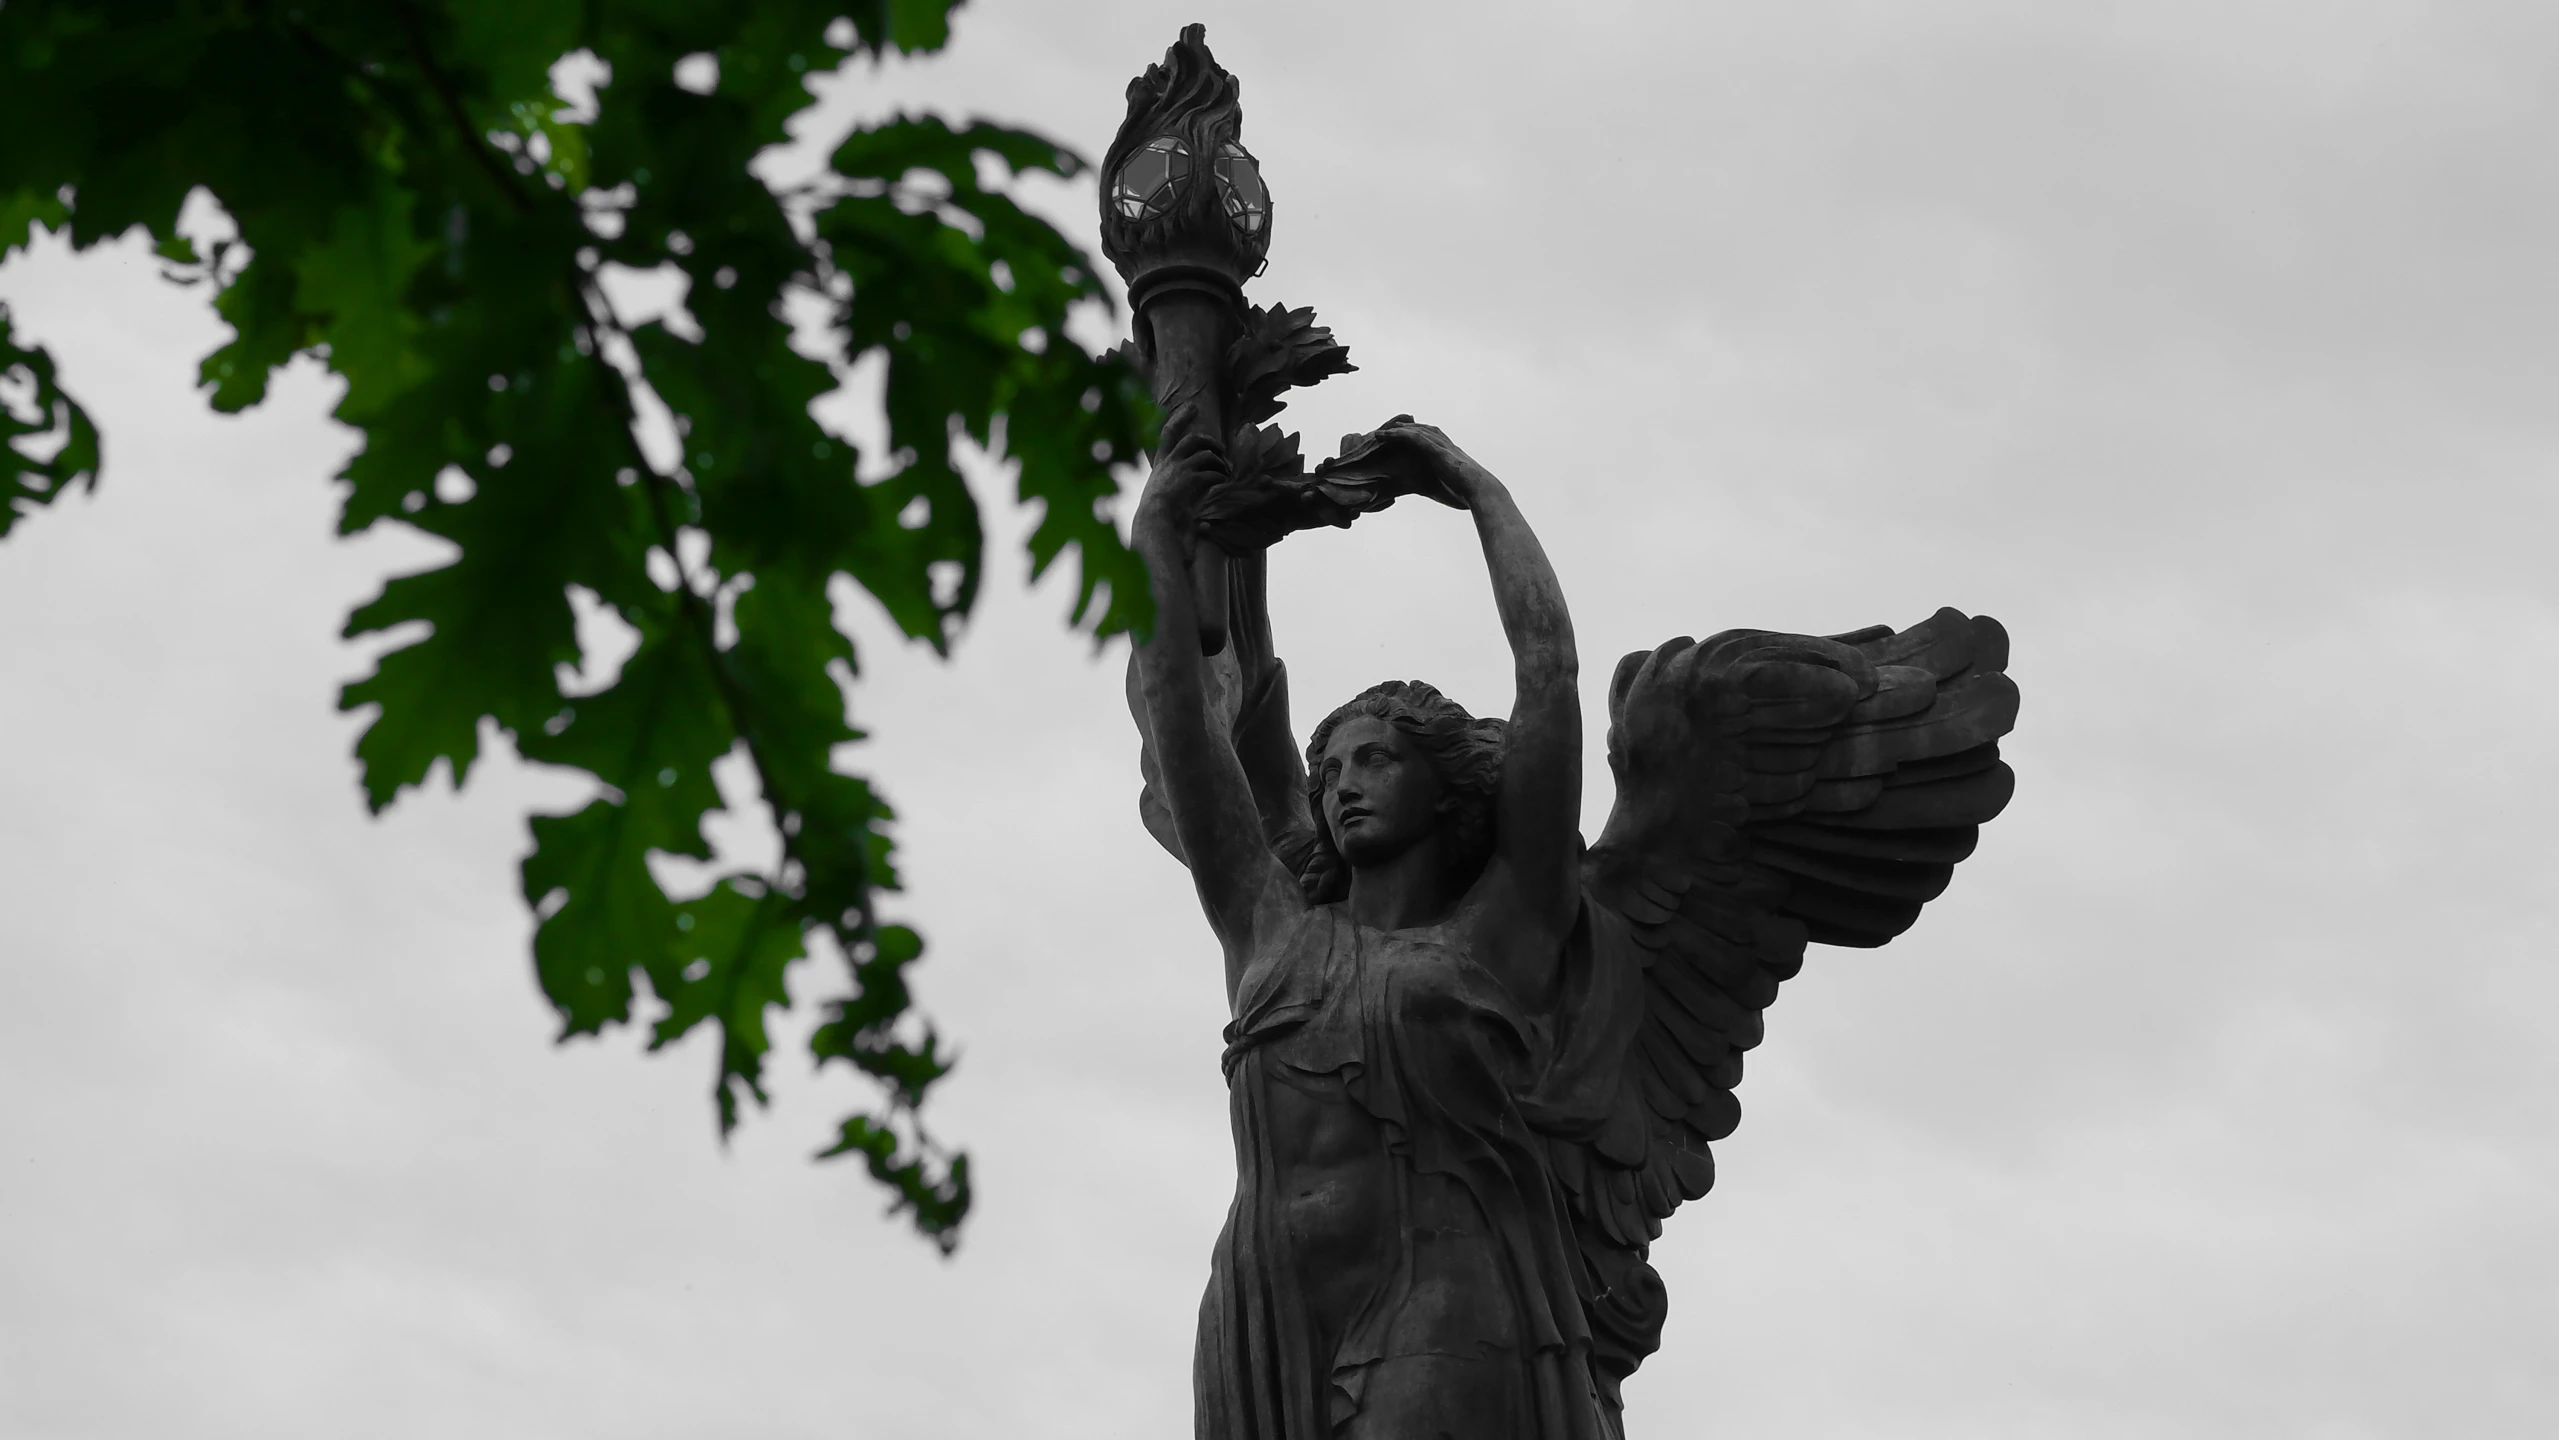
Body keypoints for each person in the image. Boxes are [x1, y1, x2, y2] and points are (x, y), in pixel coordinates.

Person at [1129, 411, 1631, 1439]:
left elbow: (1551, 677)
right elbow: (1184, 716)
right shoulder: (1269, 929)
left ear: (1443, 790)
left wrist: (1476, 489)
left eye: (1375, 761)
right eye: (1329, 770)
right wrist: (1155, 537)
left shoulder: (1499, 935)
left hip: (1444, 1284)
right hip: (1266, 1299)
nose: (1342, 785)